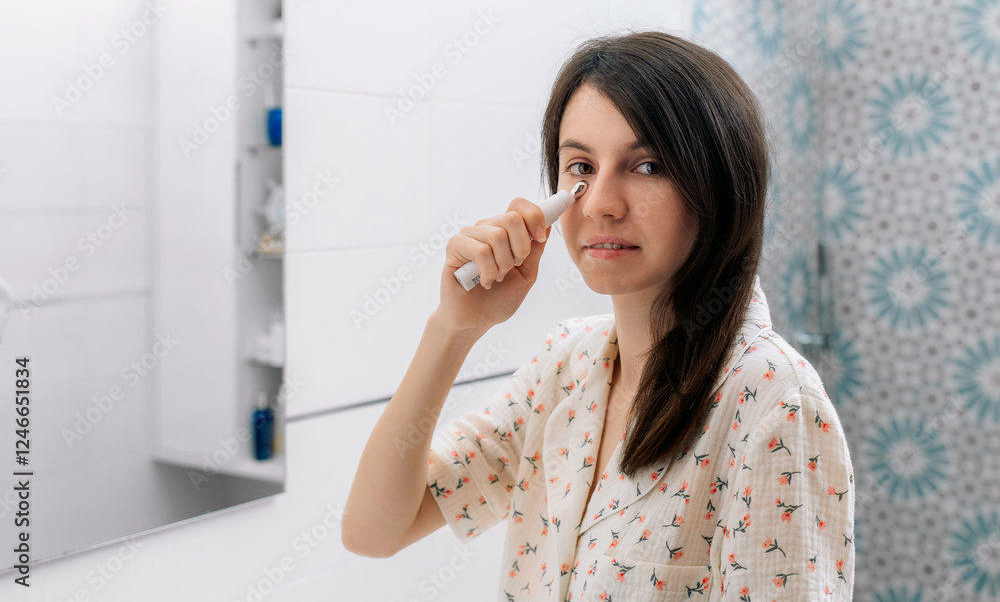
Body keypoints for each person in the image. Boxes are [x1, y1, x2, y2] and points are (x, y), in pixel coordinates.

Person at [342, 30, 856, 601]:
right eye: (581, 166)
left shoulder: (773, 402)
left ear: (718, 186)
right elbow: (373, 530)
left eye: (648, 166)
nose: (602, 203)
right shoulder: (565, 366)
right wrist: (455, 327)